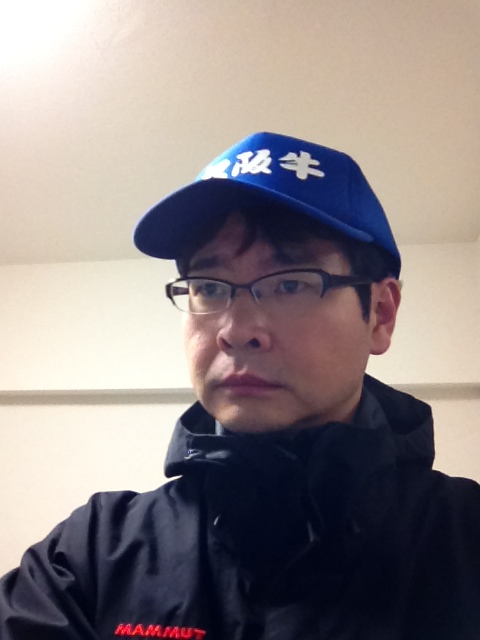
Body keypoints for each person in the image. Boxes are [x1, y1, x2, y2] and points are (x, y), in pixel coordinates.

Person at [1, 132, 479, 640]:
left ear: (380, 314)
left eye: (290, 283)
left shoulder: (466, 540)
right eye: (209, 287)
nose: (236, 330)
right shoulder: (89, 558)